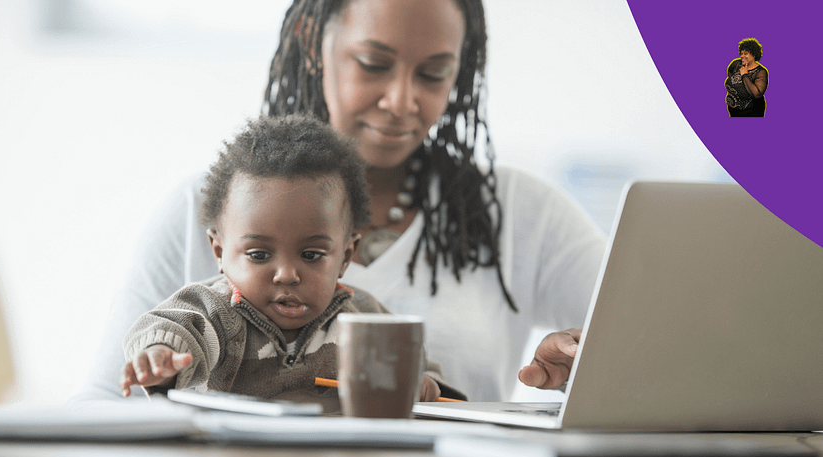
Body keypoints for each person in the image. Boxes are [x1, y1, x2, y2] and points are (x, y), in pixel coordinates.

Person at [68, 0, 605, 405]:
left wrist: (593, 365)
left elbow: (657, 352)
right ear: (310, 38)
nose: (401, 101)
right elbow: (102, 404)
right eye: (373, 63)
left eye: (434, 73)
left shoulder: (521, 212)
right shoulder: (203, 207)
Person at [119, 115, 450, 410]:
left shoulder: (363, 318)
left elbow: (414, 362)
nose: (287, 275)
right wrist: (161, 355)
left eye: (311, 255)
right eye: (259, 255)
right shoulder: (215, 310)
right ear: (219, 252)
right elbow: (175, 327)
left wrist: (423, 383)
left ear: (345, 257)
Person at [725, 38, 768, 117]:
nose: (742, 56)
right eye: (741, 53)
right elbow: (730, 74)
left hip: (752, 112)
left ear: (754, 54)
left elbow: (756, 94)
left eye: (746, 53)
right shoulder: (736, 64)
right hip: (733, 111)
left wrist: (744, 75)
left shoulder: (761, 72)